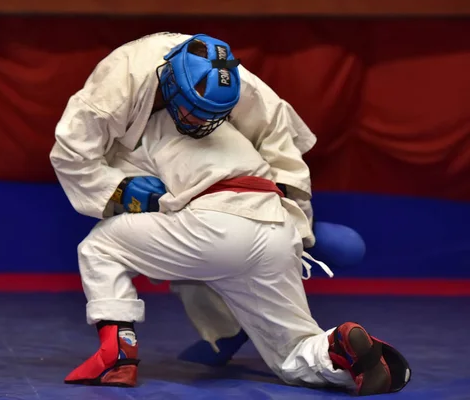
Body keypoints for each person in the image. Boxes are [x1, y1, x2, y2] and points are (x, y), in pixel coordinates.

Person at [50, 33, 410, 395]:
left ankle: (117, 353)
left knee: (102, 247)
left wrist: (119, 189)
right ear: (169, 84)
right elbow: (73, 153)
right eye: (192, 110)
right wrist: (299, 225)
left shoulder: (240, 92)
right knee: (290, 352)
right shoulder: (118, 88)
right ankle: (334, 348)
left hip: (210, 228)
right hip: (272, 228)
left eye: (213, 116)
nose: (200, 123)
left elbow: (277, 135)